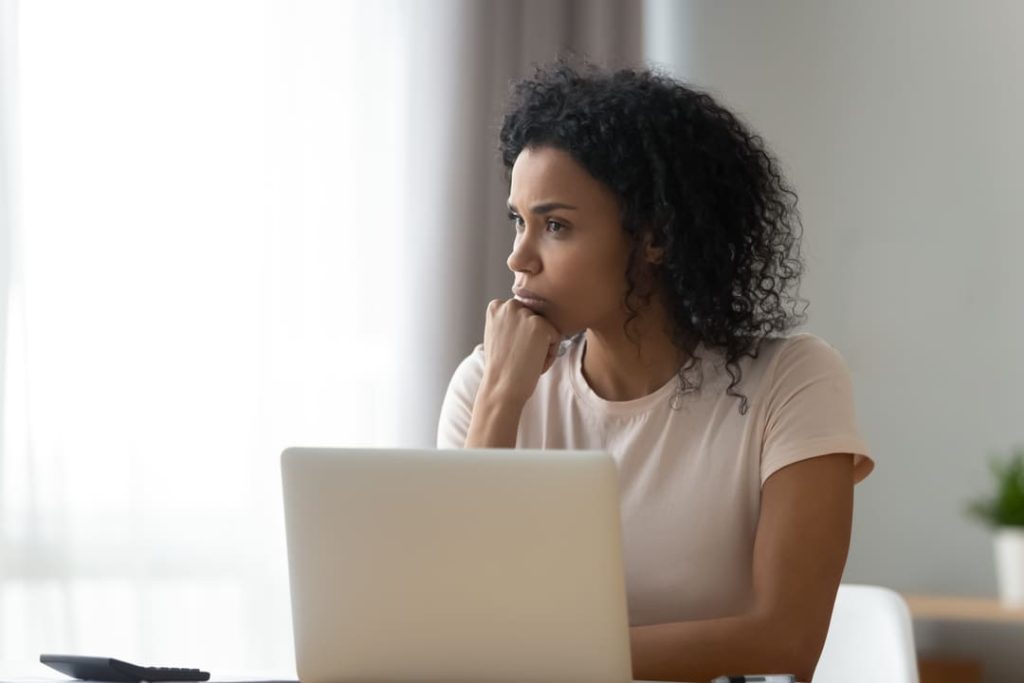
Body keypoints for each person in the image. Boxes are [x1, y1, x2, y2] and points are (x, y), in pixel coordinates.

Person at [436, 61, 874, 683]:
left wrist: (542, 660)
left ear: (655, 237)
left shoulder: (793, 381)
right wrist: (502, 395)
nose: (518, 257)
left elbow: (786, 638)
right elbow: (451, 620)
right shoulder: (487, 385)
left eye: (555, 226)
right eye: (518, 220)